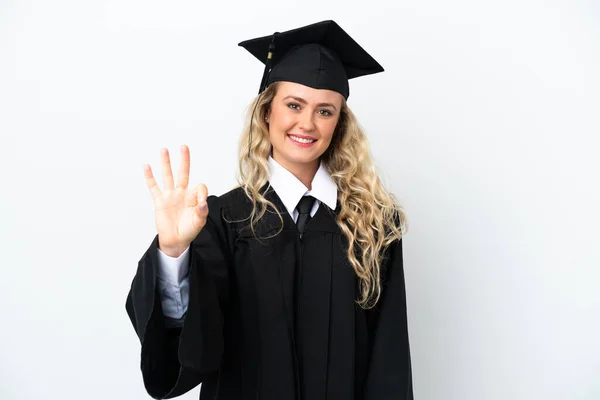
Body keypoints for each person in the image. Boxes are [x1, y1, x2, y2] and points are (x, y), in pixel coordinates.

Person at [126, 20, 414, 400]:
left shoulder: (372, 224)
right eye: (293, 105)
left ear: (339, 124)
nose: (307, 123)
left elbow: (388, 359)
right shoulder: (223, 220)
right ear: (267, 112)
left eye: (325, 111)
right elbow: (191, 342)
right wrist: (174, 253)